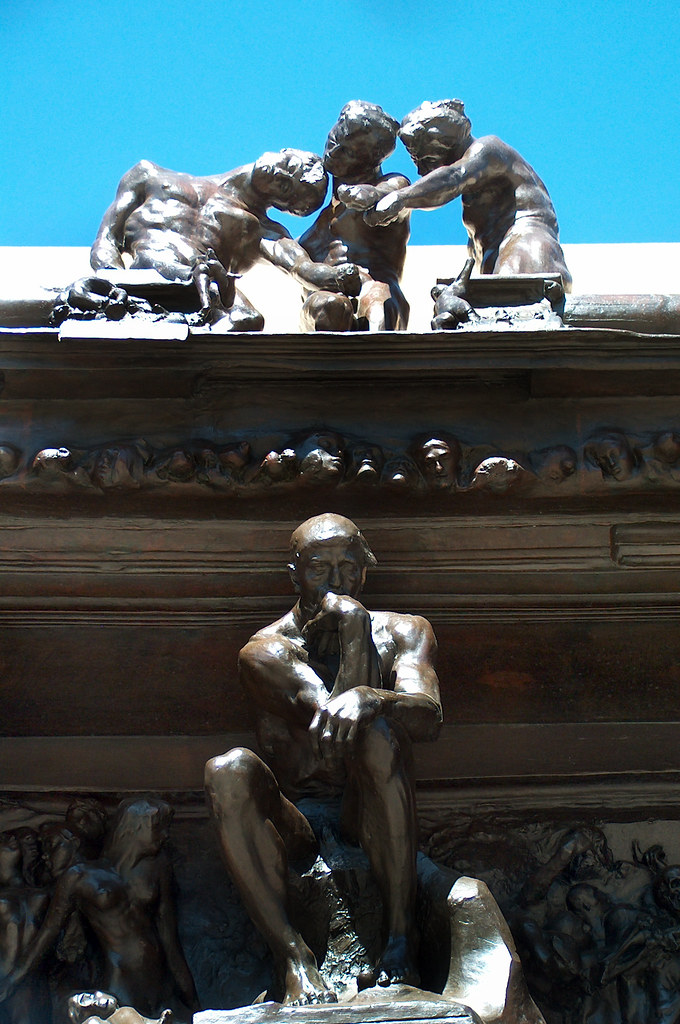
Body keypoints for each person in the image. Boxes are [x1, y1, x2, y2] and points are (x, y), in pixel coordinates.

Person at [205, 514, 442, 1005]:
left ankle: (401, 940)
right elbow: (332, 732)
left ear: (365, 572)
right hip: (301, 825)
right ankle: (293, 958)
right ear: (294, 574)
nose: (335, 583)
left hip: (368, 804)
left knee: (378, 732)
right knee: (228, 770)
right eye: (319, 569)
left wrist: (375, 692)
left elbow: (428, 718)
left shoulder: (405, 631)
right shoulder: (265, 651)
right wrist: (354, 633)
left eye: (348, 569)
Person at [86, 150, 361, 330]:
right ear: (283, 151)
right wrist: (112, 283)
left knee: (249, 319)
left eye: (285, 187)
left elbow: (301, 268)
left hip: (206, 289)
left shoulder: (260, 230)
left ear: (283, 205)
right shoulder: (150, 175)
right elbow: (106, 240)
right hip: (142, 273)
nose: (281, 174)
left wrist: (338, 277)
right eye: (289, 164)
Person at [0, 802, 197, 1020]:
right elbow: (49, 933)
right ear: (136, 827)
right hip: (120, 980)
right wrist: (14, 979)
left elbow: (171, 941)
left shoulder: (158, 867)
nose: (165, 835)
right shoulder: (79, 877)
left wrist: (195, 1004)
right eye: (159, 827)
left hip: (160, 980)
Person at [364, 99, 571, 291]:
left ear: (441, 143)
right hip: (496, 256)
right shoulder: (476, 187)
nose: (422, 171)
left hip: (527, 248)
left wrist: (401, 198)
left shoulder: (487, 149)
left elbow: (452, 178)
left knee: (514, 310)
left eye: (425, 160)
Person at [298, 101, 411, 331]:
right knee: (329, 305)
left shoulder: (392, 186)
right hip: (322, 307)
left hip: (377, 296)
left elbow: (391, 193)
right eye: (336, 137)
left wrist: (368, 194)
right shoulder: (321, 219)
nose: (335, 150)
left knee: (380, 303)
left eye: (349, 151)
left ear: (372, 159)